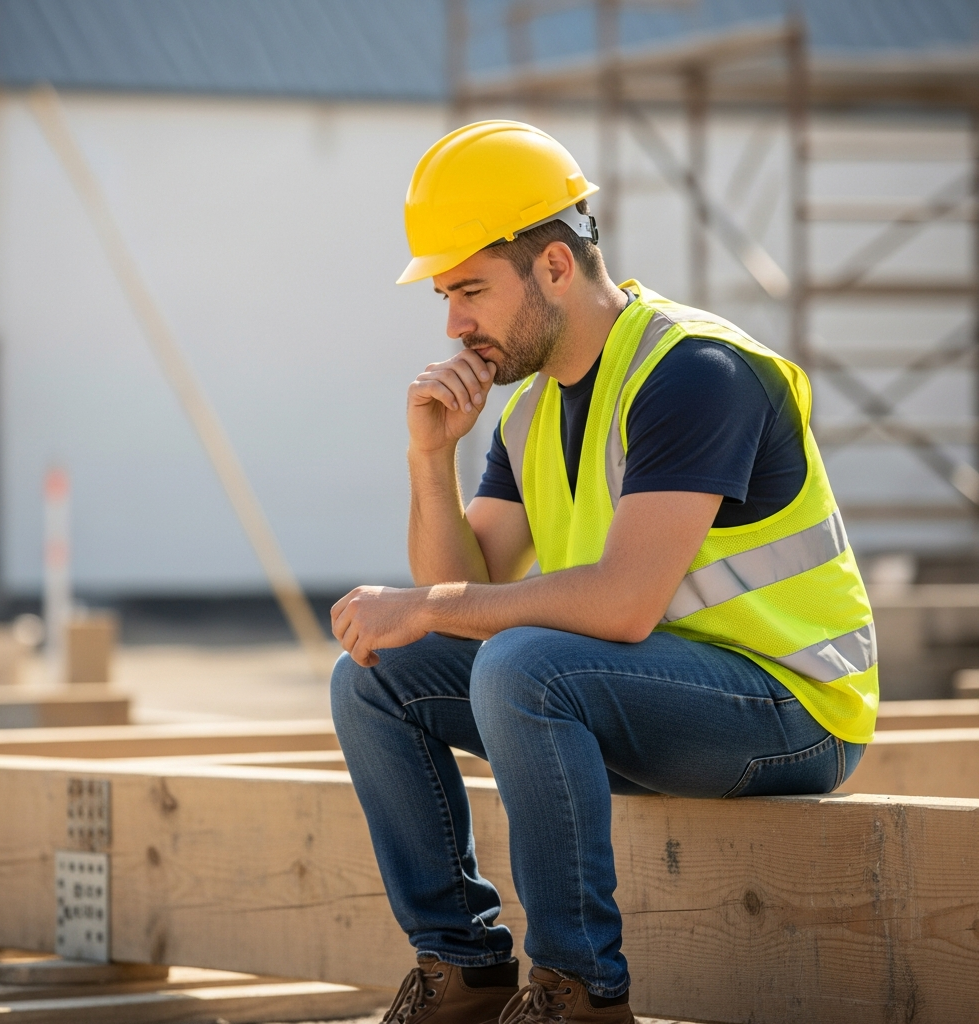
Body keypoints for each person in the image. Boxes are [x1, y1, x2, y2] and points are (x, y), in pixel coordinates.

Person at [330, 121, 877, 1024]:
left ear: (554, 266)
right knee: (374, 677)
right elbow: (462, 597)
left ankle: (581, 992)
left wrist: (425, 602)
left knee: (521, 664)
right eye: (444, 295)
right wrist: (431, 459)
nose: (453, 324)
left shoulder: (696, 372)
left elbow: (621, 607)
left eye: (469, 290)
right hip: (642, 694)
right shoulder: (527, 413)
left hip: (791, 709)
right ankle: (462, 974)